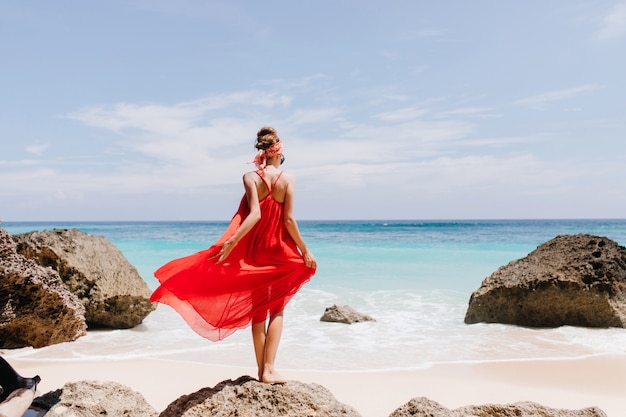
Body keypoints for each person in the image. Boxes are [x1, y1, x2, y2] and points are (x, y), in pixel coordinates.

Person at [150, 126, 317, 384]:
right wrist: (305, 250)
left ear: (261, 153)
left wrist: (231, 243)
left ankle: (262, 371)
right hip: (281, 250)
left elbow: (254, 215)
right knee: (277, 311)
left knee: (258, 312)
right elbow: (290, 220)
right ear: (278, 154)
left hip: (255, 251)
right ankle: (270, 369)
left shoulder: (250, 178)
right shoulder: (288, 180)